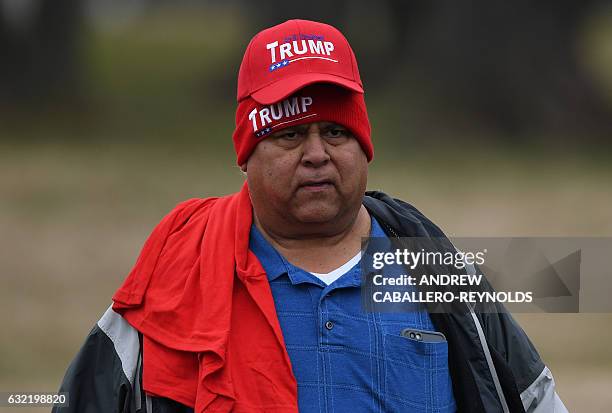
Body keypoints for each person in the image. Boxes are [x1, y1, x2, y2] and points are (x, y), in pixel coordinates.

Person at [53, 19, 567, 413]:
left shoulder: (432, 269)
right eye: (290, 135)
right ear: (247, 153)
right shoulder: (176, 278)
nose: (317, 154)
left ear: (364, 146)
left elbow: (534, 399)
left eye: (336, 133)